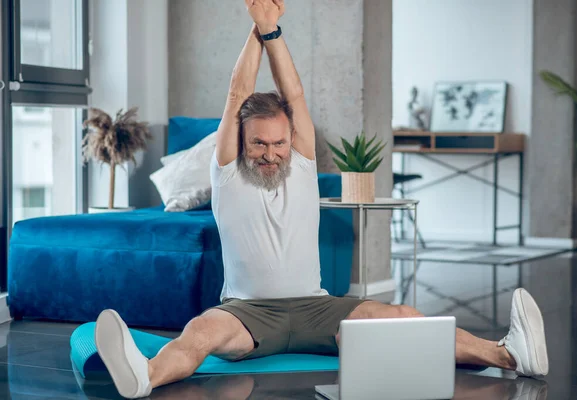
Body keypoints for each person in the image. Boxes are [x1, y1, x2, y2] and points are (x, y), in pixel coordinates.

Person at [94, 1, 549, 398]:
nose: (271, 153)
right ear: (241, 142)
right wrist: (257, 29)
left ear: (290, 139)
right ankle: (145, 375)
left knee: (405, 317)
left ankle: (509, 354)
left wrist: (270, 29)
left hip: (317, 307)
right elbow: (237, 94)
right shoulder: (228, 174)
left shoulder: (303, 165)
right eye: (259, 144)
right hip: (247, 313)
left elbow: (294, 94)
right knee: (201, 331)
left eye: (278, 143)